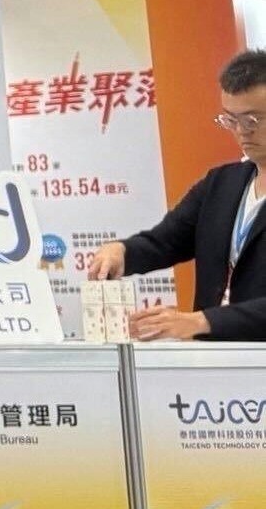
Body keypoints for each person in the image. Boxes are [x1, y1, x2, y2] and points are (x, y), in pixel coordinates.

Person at [87, 48, 266, 340]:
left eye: (252, 121)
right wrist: (122, 252)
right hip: (216, 356)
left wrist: (202, 321)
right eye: (231, 120)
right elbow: (165, 241)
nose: (242, 132)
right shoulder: (221, 184)